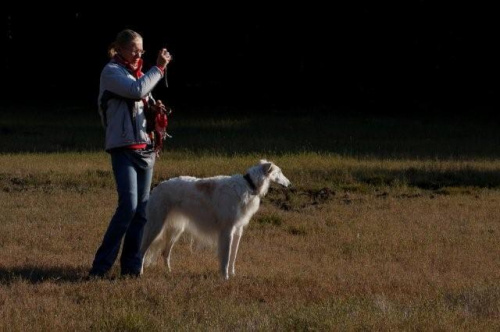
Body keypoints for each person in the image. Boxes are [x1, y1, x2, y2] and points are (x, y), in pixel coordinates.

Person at [89, 29, 172, 278]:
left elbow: (143, 97)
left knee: (142, 211)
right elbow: (137, 90)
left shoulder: (138, 74)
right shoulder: (112, 72)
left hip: (144, 149)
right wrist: (158, 69)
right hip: (122, 148)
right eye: (135, 49)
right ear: (120, 49)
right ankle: (100, 269)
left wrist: (154, 108)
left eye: (142, 50)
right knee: (128, 207)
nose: (139, 54)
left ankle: (131, 270)